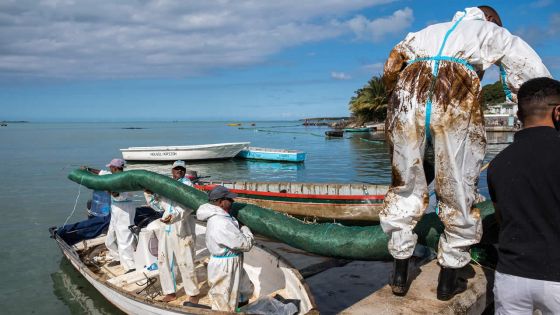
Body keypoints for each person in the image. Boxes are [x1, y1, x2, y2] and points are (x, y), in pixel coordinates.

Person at [379, 5, 551, 300]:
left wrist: (396, 93)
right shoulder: (490, 31)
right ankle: (449, 279)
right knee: (457, 184)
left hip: (407, 97)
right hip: (454, 95)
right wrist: (522, 101)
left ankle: (399, 272)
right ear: (491, 19)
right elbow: (528, 71)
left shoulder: (424, 32)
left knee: (406, 182)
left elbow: (392, 65)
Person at [487, 77, 560, 314]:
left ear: (518, 116)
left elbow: (501, 219)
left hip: (511, 278)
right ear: (558, 112)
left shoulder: (497, 164)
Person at [144, 160, 199, 303]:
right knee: (164, 259)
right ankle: (170, 292)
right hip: (166, 227)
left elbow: (188, 206)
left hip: (182, 225)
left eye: (182, 169)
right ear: (172, 171)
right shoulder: (166, 185)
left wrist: (173, 217)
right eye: (176, 169)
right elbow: (158, 206)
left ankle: (193, 293)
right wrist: (149, 195)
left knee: (186, 260)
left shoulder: (188, 185)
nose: (179, 171)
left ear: (185, 171)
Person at [196, 186, 254, 311]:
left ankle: (240, 310)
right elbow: (246, 245)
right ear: (221, 202)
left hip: (231, 261)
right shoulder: (221, 222)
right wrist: (245, 229)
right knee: (222, 300)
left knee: (244, 291)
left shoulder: (223, 216)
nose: (233, 202)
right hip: (224, 266)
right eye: (230, 199)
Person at [84, 158, 136, 273]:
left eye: (110, 167)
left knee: (124, 237)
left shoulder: (126, 180)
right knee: (110, 237)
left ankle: (130, 266)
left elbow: (119, 195)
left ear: (115, 168)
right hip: (115, 209)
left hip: (124, 209)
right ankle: (117, 256)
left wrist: (109, 190)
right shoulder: (112, 175)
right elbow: (102, 173)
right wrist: (88, 169)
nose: (109, 169)